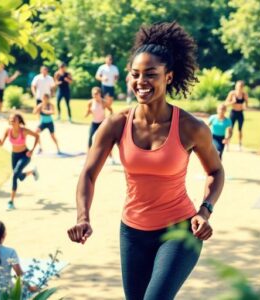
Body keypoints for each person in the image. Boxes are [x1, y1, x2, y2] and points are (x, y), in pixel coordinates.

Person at [67, 22, 224, 300]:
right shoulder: (116, 124)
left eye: (151, 74)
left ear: (169, 77)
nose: (141, 81)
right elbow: (88, 174)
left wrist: (205, 211)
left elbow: (215, 171)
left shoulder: (190, 127)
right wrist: (83, 217)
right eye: (135, 74)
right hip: (132, 232)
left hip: (179, 231)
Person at [0, 113, 40, 210]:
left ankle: (11, 202)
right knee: (19, 177)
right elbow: (1, 143)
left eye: (14, 119)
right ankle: (32, 172)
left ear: (19, 121)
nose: (12, 121)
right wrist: (0, 142)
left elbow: (37, 136)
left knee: (15, 175)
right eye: (11, 119)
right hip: (14, 156)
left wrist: (32, 150)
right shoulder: (7, 131)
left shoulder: (24, 131)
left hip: (25, 155)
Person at [225, 80, 248, 150]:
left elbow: (247, 104)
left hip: (240, 113)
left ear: (243, 87)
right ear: (236, 86)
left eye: (241, 86)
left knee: (240, 130)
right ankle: (227, 144)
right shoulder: (232, 93)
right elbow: (226, 103)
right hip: (233, 113)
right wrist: (232, 102)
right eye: (238, 86)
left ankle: (240, 144)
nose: (239, 88)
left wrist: (245, 107)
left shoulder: (244, 94)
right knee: (230, 129)